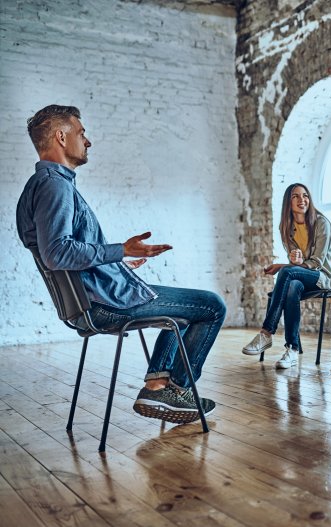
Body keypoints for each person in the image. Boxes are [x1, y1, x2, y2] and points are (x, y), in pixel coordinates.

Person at [17, 105, 226, 424]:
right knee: (211, 306)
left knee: (181, 311)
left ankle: (158, 384)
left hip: (95, 298)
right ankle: (176, 391)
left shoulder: (44, 185)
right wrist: (120, 251)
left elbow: (66, 253)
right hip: (102, 305)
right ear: (61, 136)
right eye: (81, 133)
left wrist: (117, 265)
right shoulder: (54, 186)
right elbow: (56, 252)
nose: (88, 141)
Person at [242, 183, 331, 369]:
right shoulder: (287, 228)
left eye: (305, 196)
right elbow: (298, 263)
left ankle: (266, 332)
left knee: (287, 274)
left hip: (325, 277)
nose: (301, 200)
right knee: (292, 287)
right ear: (288, 201)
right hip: (304, 275)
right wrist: (291, 263)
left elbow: (317, 262)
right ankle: (292, 349)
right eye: (295, 196)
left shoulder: (322, 223)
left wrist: (284, 266)